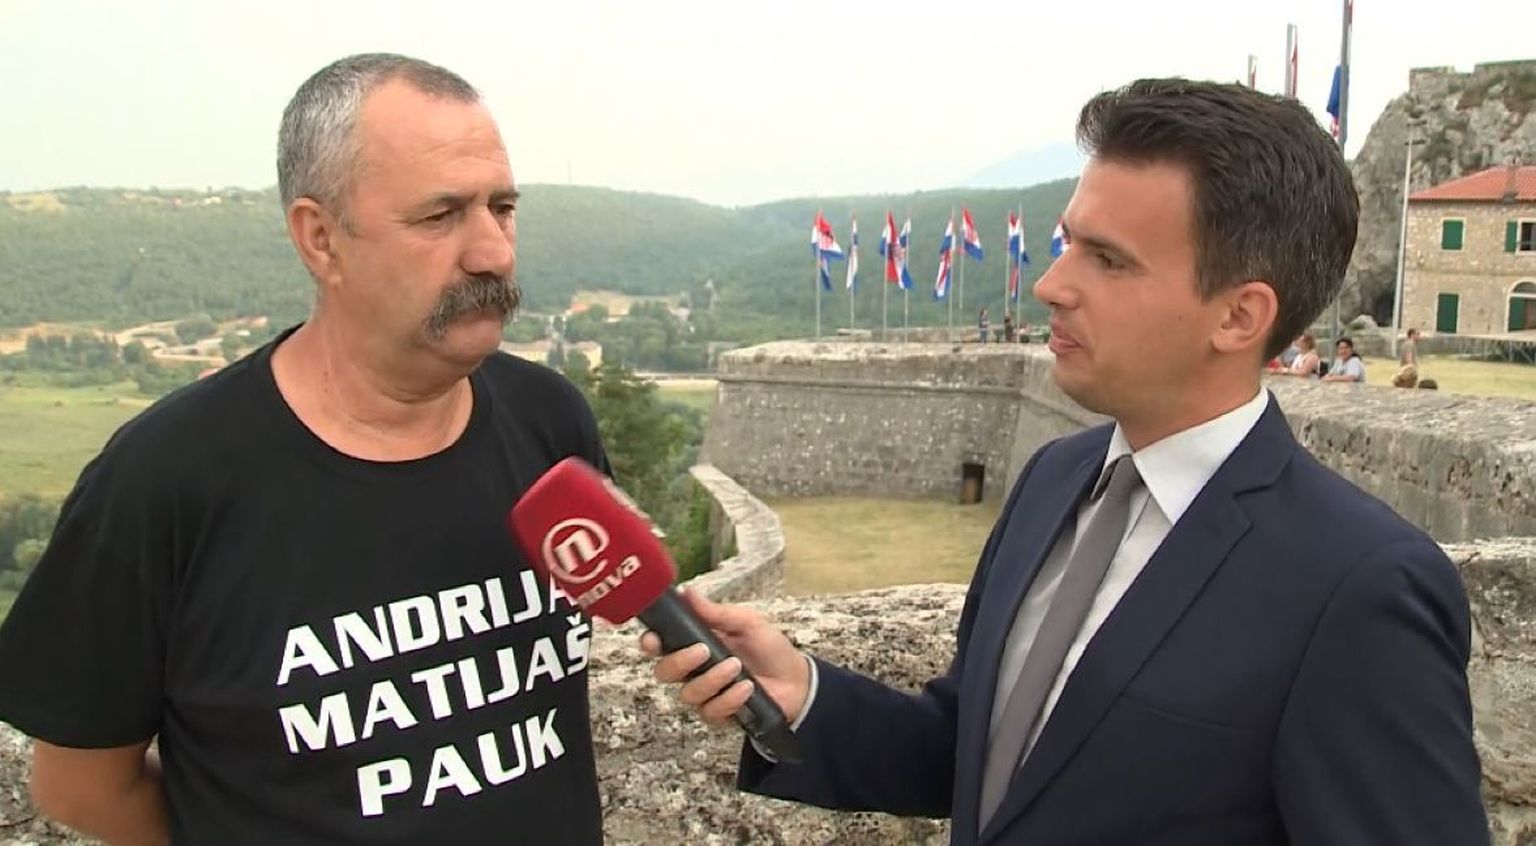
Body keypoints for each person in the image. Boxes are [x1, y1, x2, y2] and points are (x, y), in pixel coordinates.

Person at [645, 78, 1485, 845]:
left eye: (1107, 259)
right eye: (1068, 242)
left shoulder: (1357, 587)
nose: (1051, 284)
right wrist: (805, 696)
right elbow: (987, 759)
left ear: (1238, 316)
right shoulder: (1055, 480)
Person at [0, 54, 609, 845]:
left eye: (503, 207)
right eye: (440, 216)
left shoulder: (550, 421)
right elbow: (80, 785)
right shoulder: (165, 481)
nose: (492, 251)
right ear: (321, 239)